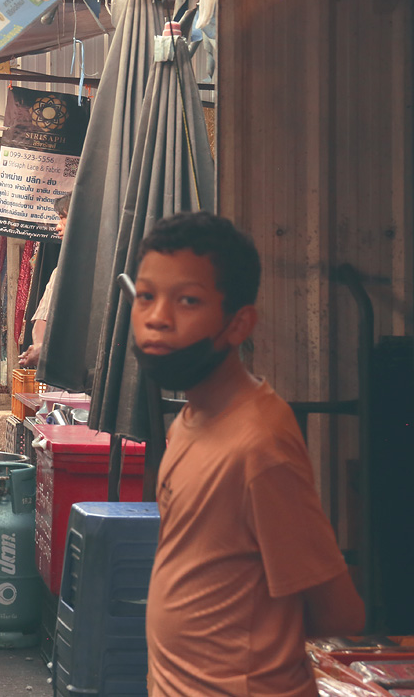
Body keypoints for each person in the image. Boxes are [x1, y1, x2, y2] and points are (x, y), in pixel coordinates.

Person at [134, 212, 364, 696]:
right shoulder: (187, 422)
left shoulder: (258, 447)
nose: (157, 317)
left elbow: (338, 611)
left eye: (188, 300)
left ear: (239, 323)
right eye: (146, 296)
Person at [20, 193, 70, 368]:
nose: (57, 227)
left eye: (62, 218)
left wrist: (42, 348)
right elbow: (42, 319)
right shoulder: (61, 271)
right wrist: (40, 347)